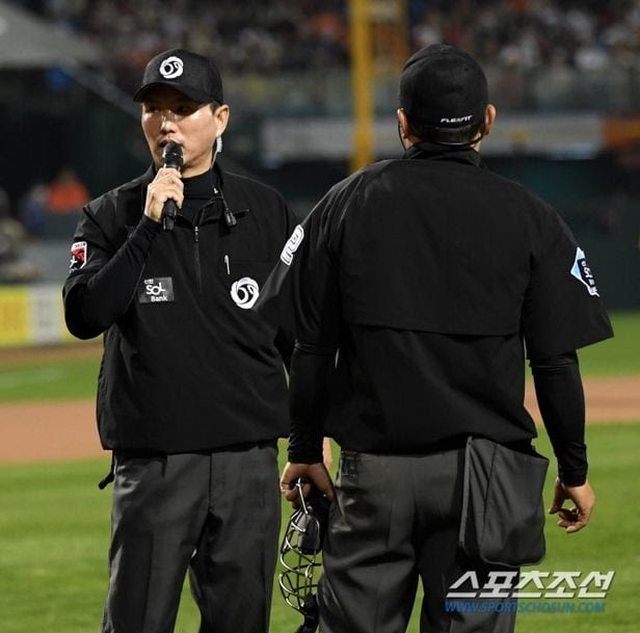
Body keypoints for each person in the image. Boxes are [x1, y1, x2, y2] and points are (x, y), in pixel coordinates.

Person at [257, 44, 614, 633]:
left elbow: (311, 347)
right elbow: (555, 362)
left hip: (375, 473)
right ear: (488, 121)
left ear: (403, 123)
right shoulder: (531, 216)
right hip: (486, 477)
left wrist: (302, 448)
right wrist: (573, 469)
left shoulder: (345, 202)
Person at [62, 48, 296, 633]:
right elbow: (85, 315)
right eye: (154, 109)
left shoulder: (266, 211)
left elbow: (297, 337)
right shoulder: (111, 215)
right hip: (155, 466)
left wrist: (310, 443)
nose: (166, 123)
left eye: (184, 108)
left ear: (220, 118)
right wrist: (146, 228)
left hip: (247, 464)